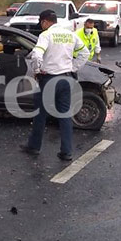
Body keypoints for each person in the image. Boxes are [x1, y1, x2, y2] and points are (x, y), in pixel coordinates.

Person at [22, 9, 88, 161]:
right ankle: (66, 152)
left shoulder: (46, 35)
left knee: (40, 114)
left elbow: (37, 54)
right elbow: (84, 53)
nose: (41, 26)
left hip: (49, 79)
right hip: (66, 79)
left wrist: (37, 70)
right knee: (65, 115)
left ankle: (34, 147)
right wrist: (73, 67)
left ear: (45, 21)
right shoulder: (70, 35)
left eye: (41, 23)